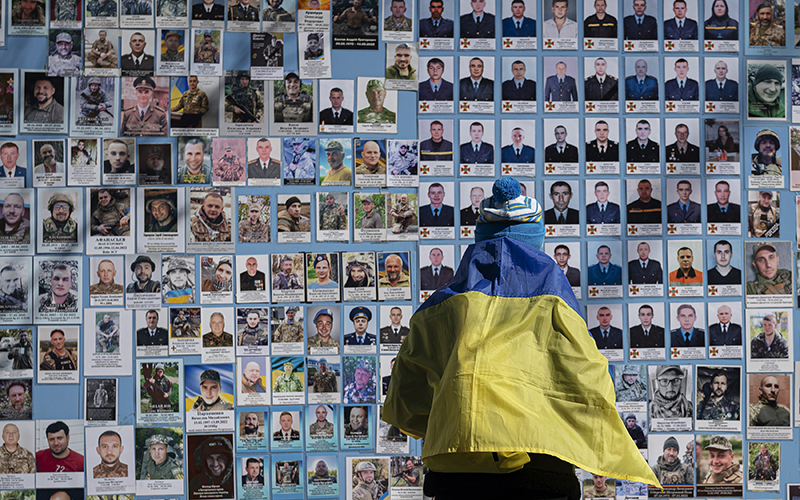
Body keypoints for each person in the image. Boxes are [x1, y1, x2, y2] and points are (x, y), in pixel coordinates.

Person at [383, 177, 657, 498]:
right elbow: (590, 382)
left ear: (480, 236)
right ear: (536, 238)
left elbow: (404, 404)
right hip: (540, 474)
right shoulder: (554, 298)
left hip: (455, 476)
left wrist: (456, 420)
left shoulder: (440, 305)